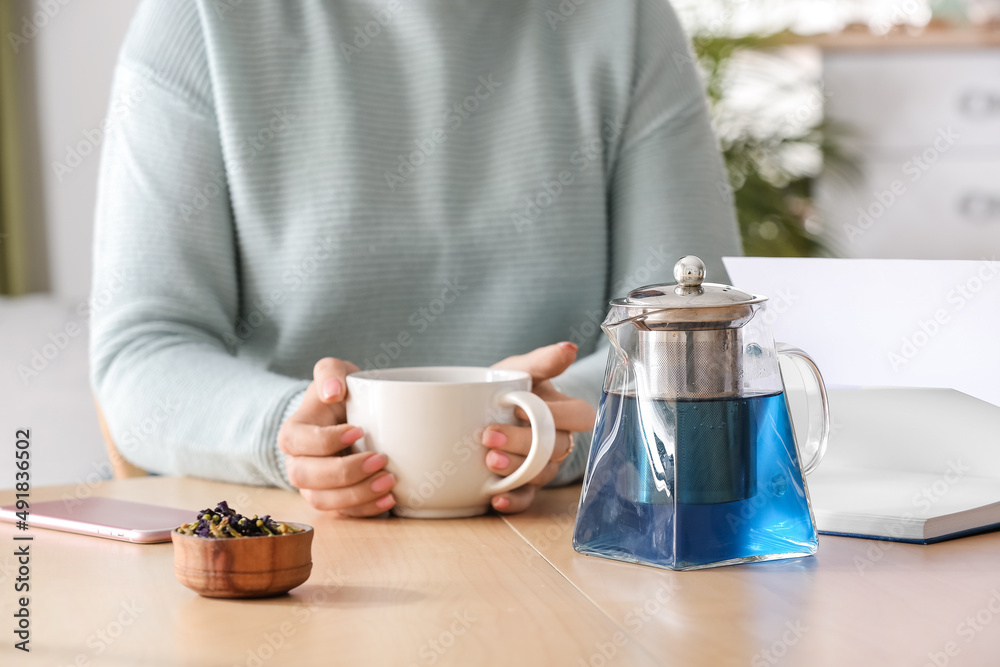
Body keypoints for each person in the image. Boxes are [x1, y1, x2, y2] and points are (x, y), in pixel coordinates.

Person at [90, 0, 742, 517]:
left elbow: (695, 334)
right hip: (286, 551)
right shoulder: (198, 15)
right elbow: (142, 352)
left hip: (564, 537)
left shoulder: (626, 18)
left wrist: (557, 427)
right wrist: (288, 430)